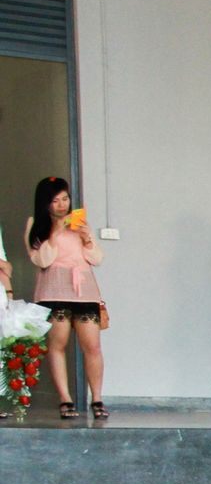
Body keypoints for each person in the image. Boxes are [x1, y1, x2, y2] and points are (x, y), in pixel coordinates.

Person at [25, 177, 107, 421]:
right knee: (57, 344)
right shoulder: (36, 224)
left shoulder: (78, 222)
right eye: (55, 200)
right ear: (45, 203)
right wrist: (55, 232)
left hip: (84, 290)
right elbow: (42, 260)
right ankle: (65, 398)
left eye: (65, 199)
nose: (62, 205)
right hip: (53, 290)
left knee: (92, 345)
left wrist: (87, 238)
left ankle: (97, 398)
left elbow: (96, 259)